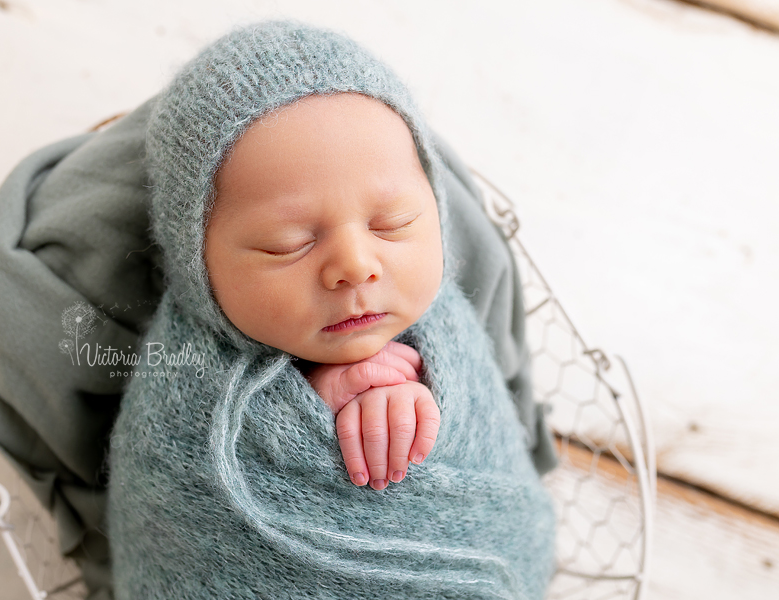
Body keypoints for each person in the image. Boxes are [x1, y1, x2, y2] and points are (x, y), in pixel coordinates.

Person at [107, 20, 556, 600]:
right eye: (288, 243)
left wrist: (415, 408)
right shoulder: (182, 385)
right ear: (196, 261)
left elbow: (494, 467)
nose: (355, 265)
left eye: (392, 224)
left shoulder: (450, 326)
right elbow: (176, 530)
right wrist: (301, 416)